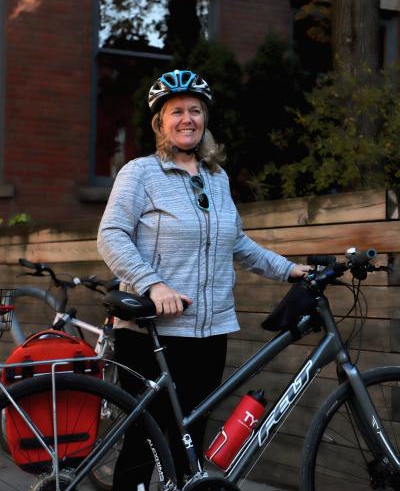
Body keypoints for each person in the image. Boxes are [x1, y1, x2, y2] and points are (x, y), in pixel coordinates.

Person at [97, 69, 310, 490]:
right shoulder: (140, 173)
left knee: (186, 442)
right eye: (176, 111)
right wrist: (152, 284)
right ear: (161, 122)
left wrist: (288, 269)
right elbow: (111, 235)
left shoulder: (217, 177)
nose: (187, 119)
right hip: (151, 332)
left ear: (205, 118)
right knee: (146, 442)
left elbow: (238, 243)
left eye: (195, 110)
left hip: (210, 332)